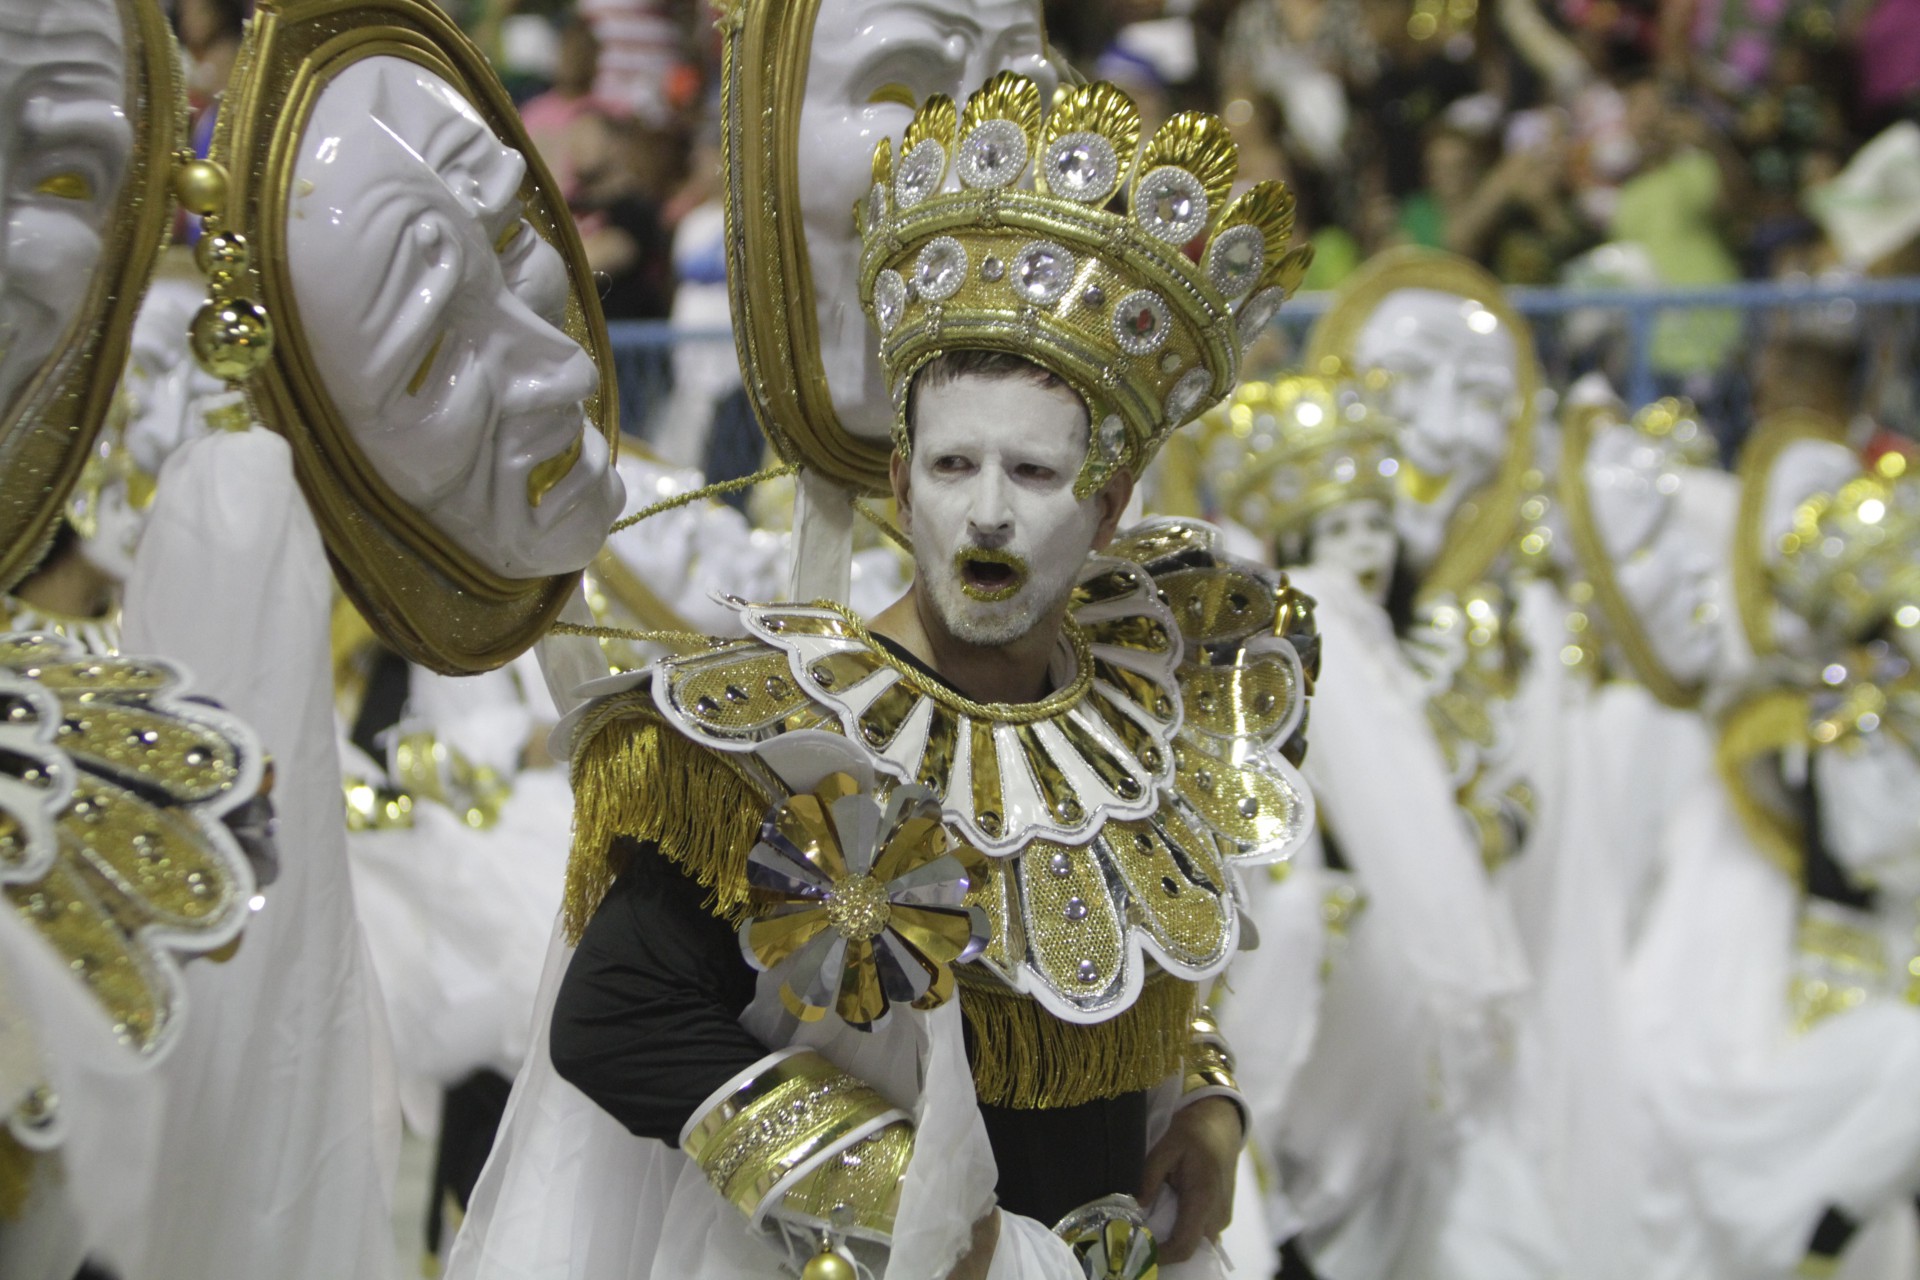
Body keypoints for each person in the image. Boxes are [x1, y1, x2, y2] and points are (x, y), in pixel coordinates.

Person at [452, 72, 1317, 1278]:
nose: (988, 519)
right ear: (900, 490)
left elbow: (1146, 961)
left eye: (1035, 474)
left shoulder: (1153, 696)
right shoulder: (774, 734)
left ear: (1110, 504)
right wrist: (907, 1205)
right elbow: (617, 1017)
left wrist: (1210, 1103)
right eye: (955, 466)